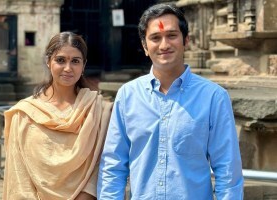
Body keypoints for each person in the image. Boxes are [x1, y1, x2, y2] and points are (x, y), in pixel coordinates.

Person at [98, 3, 244, 200]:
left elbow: (228, 171)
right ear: (144, 46)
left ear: (186, 40)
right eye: (155, 38)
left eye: (172, 35)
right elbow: (113, 166)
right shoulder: (127, 96)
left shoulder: (213, 97)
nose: (164, 45)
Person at [3, 32, 112, 200]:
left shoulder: (98, 110)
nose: (68, 68)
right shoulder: (25, 113)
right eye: (60, 60)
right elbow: (19, 175)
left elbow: (104, 165)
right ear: (48, 61)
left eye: (75, 61)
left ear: (84, 65)